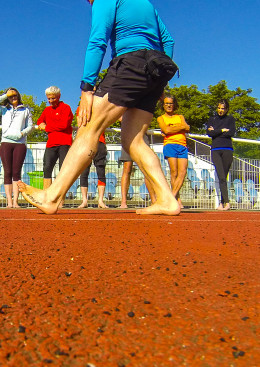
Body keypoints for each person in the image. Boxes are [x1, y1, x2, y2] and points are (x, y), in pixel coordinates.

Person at [18, 0, 179, 216]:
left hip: (130, 63)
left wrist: (87, 88)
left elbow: (98, 40)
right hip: (155, 69)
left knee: (88, 127)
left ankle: (51, 196)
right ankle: (167, 200)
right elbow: (168, 40)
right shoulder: (145, 3)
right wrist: (161, 82)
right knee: (134, 140)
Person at [0, 88, 34, 208]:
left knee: (16, 172)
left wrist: (21, 134)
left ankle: (15, 201)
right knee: (7, 172)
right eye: (10, 95)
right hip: (6, 143)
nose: (13, 97)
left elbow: (30, 126)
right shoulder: (4, 110)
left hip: (19, 143)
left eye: (14, 95)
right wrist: (5, 95)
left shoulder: (25, 110)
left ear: (18, 95)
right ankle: (9, 202)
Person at [37, 86, 73, 190]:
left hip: (64, 143)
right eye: (48, 98)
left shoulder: (66, 108)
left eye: (53, 98)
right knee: (47, 168)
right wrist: (42, 125)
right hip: (51, 143)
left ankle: (60, 197)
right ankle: (47, 195)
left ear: (59, 96)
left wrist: (47, 127)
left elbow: (64, 125)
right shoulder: (47, 110)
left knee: (63, 170)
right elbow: (39, 122)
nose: (51, 101)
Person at [157, 94, 190, 208]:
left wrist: (172, 129)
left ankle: (171, 197)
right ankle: (176, 200)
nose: (169, 105)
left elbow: (187, 127)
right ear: (163, 105)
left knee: (183, 172)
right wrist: (180, 127)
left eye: (171, 103)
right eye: (166, 103)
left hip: (182, 145)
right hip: (170, 145)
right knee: (174, 172)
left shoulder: (180, 116)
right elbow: (166, 129)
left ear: (174, 104)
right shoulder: (161, 118)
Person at [206, 99, 236, 211]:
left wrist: (216, 131)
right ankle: (225, 202)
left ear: (227, 109)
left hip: (227, 149)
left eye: (223, 108)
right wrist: (222, 130)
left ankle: (223, 202)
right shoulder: (212, 119)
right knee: (221, 176)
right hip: (215, 150)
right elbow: (209, 133)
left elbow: (231, 132)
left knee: (224, 176)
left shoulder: (230, 119)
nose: (220, 110)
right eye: (219, 108)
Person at [118, 133, 156, 208]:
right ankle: (123, 201)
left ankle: (154, 201)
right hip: (128, 138)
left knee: (146, 170)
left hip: (142, 138)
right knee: (127, 169)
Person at [77, 132, 108, 208]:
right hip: (86, 143)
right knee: (84, 172)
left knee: (101, 172)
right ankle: (84, 201)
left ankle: (100, 201)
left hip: (99, 142)